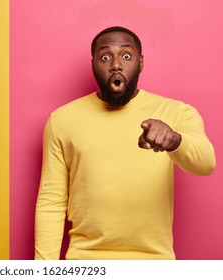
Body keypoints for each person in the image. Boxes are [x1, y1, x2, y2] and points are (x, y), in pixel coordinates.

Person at [35, 26, 215, 260]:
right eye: (105, 56)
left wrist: (174, 141)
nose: (116, 65)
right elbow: (51, 202)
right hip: (85, 262)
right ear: (93, 64)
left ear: (141, 63)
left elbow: (206, 163)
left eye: (126, 56)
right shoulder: (61, 120)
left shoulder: (177, 112)